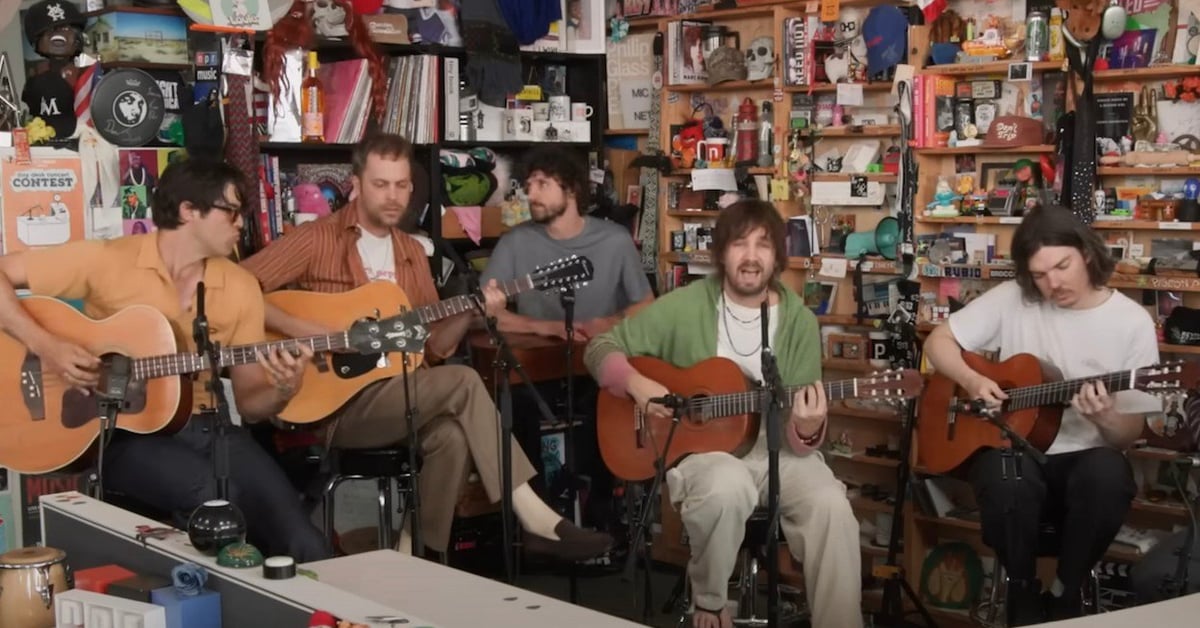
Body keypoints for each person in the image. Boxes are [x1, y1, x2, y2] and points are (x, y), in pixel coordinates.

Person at [239, 133, 613, 560]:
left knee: (452, 435)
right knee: (465, 381)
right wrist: (305, 329)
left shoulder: (411, 254)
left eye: (401, 185)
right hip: (332, 407)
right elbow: (236, 286)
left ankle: (415, 555)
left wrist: (472, 312)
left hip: (400, 393)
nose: (393, 196)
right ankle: (535, 519)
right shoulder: (318, 238)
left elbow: (433, 349)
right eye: (381, 184)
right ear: (357, 183)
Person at [0, 158, 331, 561]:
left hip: (212, 429)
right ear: (189, 210)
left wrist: (282, 389)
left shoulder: (240, 287)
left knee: (305, 543)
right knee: (211, 497)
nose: (241, 224)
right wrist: (46, 345)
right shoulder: (106, 259)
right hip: (120, 433)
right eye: (232, 212)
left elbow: (250, 403)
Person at [584, 200, 862, 628]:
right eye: (739, 244)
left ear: (777, 257)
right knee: (728, 485)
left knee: (831, 506)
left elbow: (800, 421)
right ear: (721, 253)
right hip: (701, 455)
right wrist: (638, 387)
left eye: (762, 245)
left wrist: (807, 428)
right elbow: (598, 348)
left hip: (776, 451)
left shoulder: (799, 322)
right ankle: (710, 603)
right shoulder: (685, 305)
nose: (751, 257)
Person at [922, 206, 1161, 625]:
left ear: (1086, 252)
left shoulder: (1131, 323)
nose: (1053, 284)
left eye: (1062, 266)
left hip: (1085, 464)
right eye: (1039, 274)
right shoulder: (1014, 298)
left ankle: (1066, 591)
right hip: (1014, 451)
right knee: (1005, 474)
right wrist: (972, 381)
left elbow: (1129, 435)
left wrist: (1105, 417)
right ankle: (1023, 588)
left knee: (1109, 474)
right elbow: (938, 343)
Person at [479, 145, 653, 525]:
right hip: (537, 368)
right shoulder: (516, 242)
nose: (532, 194)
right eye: (528, 184)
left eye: (542, 183)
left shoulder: (614, 241)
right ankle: (539, 521)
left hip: (598, 365)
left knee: (610, 405)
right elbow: (487, 310)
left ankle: (602, 512)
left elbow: (645, 306)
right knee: (515, 405)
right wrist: (546, 327)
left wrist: (609, 324)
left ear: (571, 188)